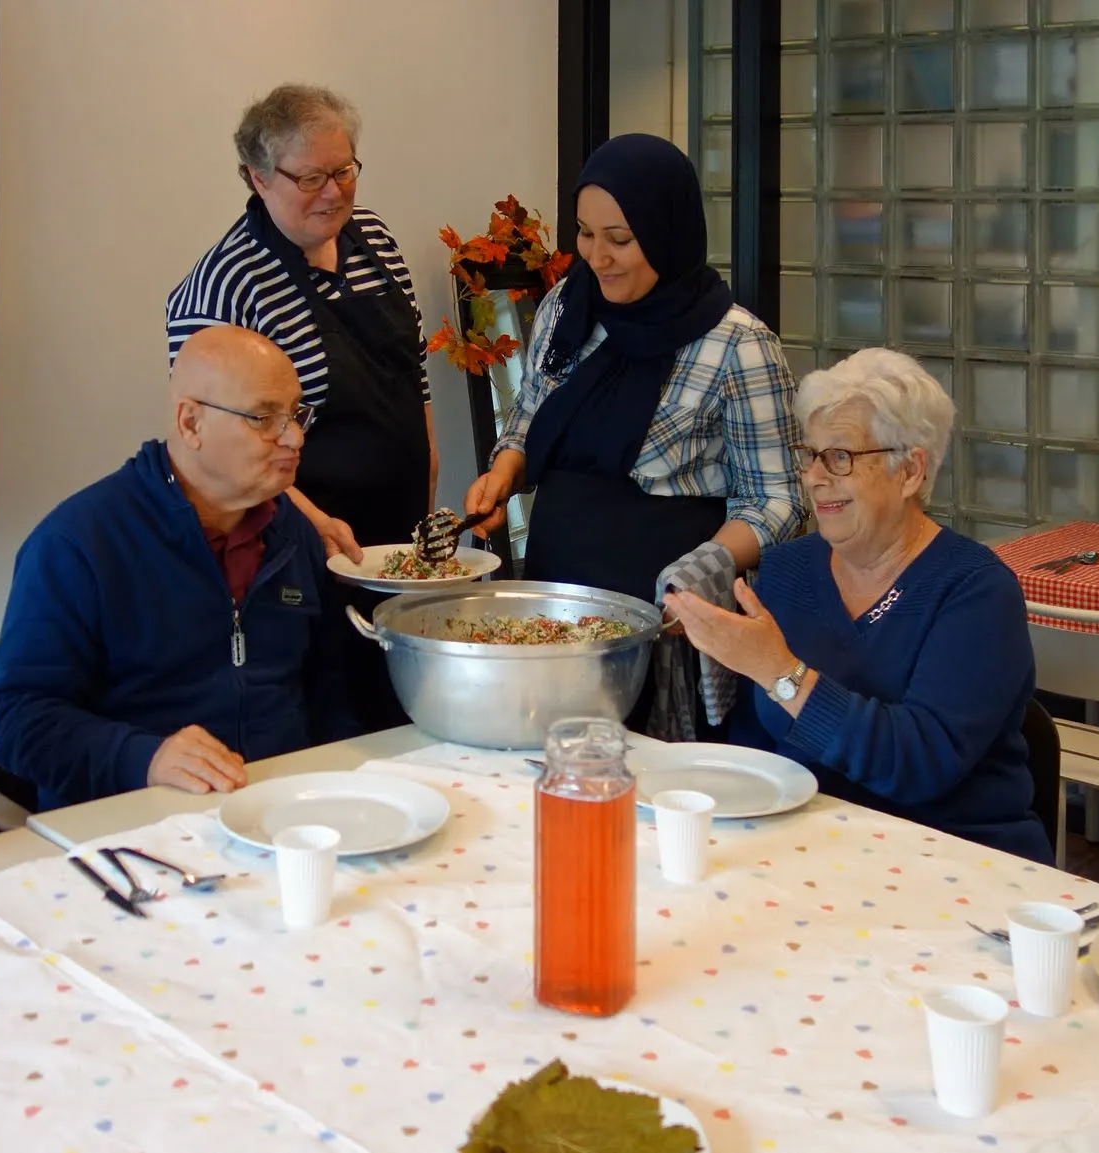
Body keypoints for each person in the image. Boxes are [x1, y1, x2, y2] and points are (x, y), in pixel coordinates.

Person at [460, 134, 802, 733]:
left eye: (620, 239)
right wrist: (504, 473)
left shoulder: (738, 345)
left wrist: (706, 569)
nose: (598, 256)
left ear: (668, 232)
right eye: (586, 235)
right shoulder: (569, 306)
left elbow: (781, 501)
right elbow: (529, 415)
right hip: (554, 596)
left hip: (664, 615)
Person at [664, 349, 1051, 863]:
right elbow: (757, 751)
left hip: (953, 859)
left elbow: (919, 764)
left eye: (840, 457)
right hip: (814, 851)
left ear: (910, 470)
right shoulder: (788, 569)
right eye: (810, 454)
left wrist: (781, 672)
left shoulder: (975, 591)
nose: (815, 477)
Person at [0, 326, 356, 811]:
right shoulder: (79, 543)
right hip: (131, 820)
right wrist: (146, 758)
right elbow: (18, 721)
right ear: (190, 424)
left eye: (296, 413)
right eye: (265, 417)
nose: (295, 436)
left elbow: (331, 691)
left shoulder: (291, 534)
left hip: (280, 811)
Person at [167, 84, 432, 733]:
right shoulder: (225, 283)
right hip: (298, 550)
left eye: (345, 171)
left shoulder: (372, 238)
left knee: (400, 714)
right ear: (257, 177)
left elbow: (412, 374)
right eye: (311, 177)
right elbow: (216, 449)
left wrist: (426, 481)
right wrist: (310, 523)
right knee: (330, 721)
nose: (335, 192)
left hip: (394, 545)